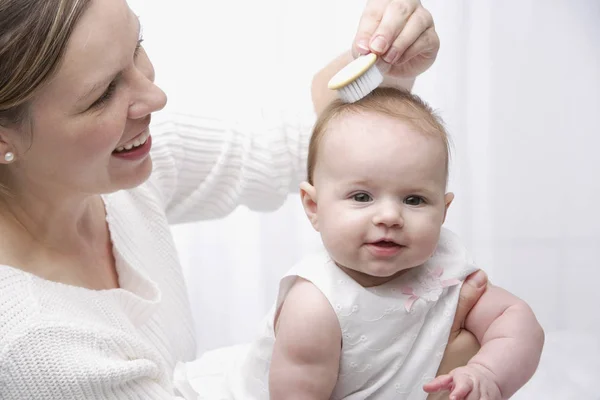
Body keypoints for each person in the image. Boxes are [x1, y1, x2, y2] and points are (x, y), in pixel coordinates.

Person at [0, 0, 487, 398]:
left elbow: (291, 143)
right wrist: (405, 356)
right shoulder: (27, 343)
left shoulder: (119, 166)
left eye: (137, 47)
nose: (155, 96)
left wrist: (384, 68)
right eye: (104, 92)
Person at [185, 88, 544, 399]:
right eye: (361, 196)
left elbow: (517, 322)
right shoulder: (315, 307)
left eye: (414, 200)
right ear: (314, 207)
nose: (389, 216)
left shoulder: (443, 265)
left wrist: (487, 373)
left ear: (443, 211)